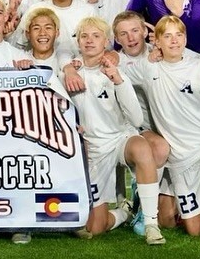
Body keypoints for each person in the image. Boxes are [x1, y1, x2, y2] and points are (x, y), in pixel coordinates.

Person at [122, 16, 200, 242]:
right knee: (191, 230)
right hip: (180, 156)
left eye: (179, 35)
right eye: (167, 36)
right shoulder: (148, 67)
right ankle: (180, 206)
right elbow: (116, 72)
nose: (174, 41)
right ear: (157, 42)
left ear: (185, 38)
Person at [67, 16, 165, 245]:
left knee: (142, 148)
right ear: (78, 42)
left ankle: (151, 223)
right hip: (93, 149)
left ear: (107, 41)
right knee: (94, 228)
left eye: (96, 36)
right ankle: (126, 212)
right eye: (84, 36)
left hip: (120, 138)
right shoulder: (69, 73)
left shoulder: (116, 70)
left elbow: (136, 118)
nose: (90, 41)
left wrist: (119, 81)